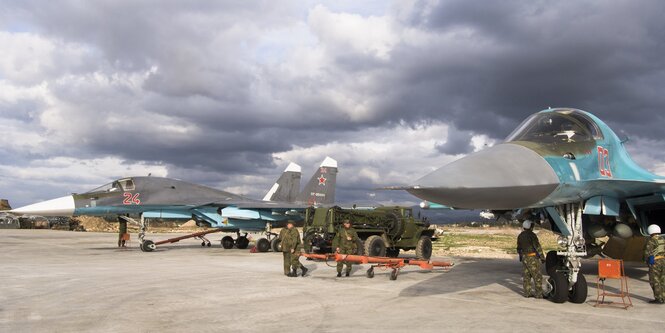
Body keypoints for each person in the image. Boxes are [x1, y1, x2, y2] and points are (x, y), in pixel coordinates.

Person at [516, 220, 545, 298]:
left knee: (527, 276)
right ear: (530, 226)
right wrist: (542, 257)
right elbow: (537, 247)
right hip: (532, 257)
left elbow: (519, 248)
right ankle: (539, 294)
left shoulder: (520, 235)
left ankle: (527, 293)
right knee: (537, 276)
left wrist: (521, 257)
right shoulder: (532, 235)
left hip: (524, 257)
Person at [644, 224, 665, 304]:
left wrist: (647, 262)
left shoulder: (651, 240)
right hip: (663, 261)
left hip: (655, 262)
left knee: (654, 281)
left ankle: (658, 298)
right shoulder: (663, 239)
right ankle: (663, 297)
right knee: (663, 280)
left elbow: (647, 253)